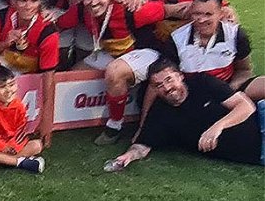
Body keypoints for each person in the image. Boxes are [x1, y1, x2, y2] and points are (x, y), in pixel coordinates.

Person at [57, 0, 188, 145]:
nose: (94, 2)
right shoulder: (81, 10)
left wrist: (214, 11)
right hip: (113, 53)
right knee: (71, 78)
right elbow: (58, 25)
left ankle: (114, 126)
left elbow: (173, 10)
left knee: (115, 71)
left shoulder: (130, 8)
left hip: (146, 53)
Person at [105, 58, 262, 171]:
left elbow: (246, 106)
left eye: (169, 79)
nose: (167, 88)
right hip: (256, 151)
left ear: (180, 76)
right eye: (159, 85)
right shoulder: (159, 114)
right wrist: (128, 156)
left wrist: (217, 127)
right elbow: (143, 145)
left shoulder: (203, 83)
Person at [164, 0, 263, 100]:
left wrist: (229, 91)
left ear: (220, 14)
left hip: (229, 89)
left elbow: (244, 70)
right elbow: (171, 78)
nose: (201, 20)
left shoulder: (235, 34)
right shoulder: (176, 39)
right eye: (197, 14)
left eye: (208, 14)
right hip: (192, 94)